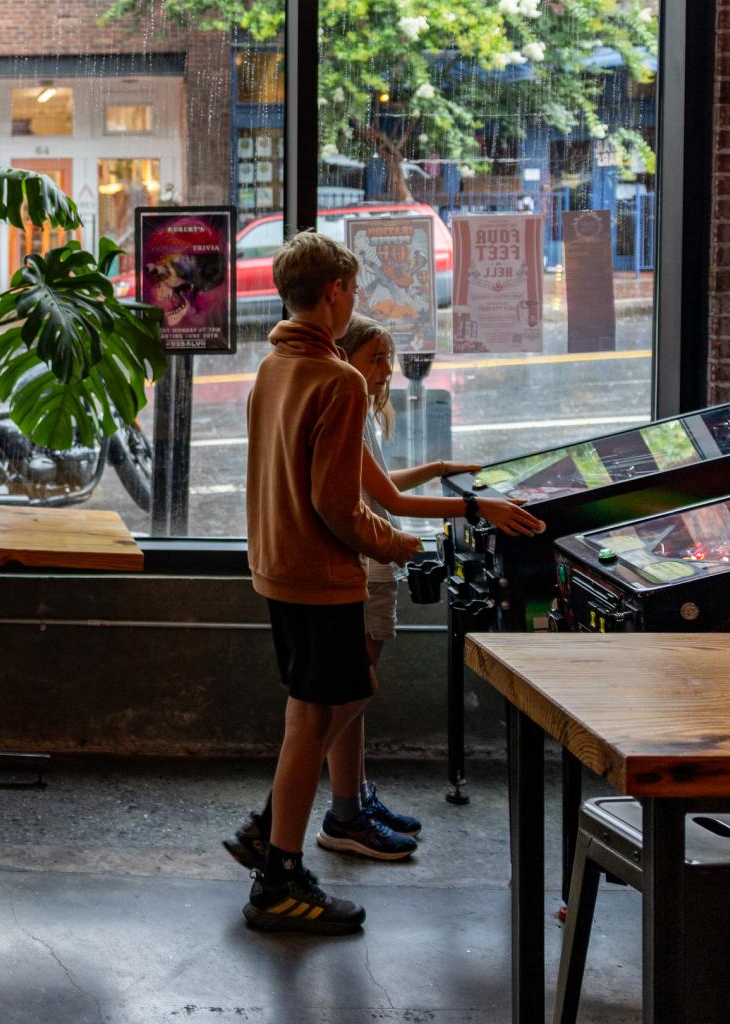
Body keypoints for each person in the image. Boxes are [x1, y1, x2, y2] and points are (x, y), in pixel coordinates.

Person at [229, 315, 544, 864]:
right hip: (362, 565)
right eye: (376, 358)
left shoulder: (349, 404)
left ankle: (348, 808)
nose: (387, 371)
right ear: (345, 355)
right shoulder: (340, 395)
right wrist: (471, 508)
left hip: (363, 563)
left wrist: (442, 469)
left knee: (344, 698)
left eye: (389, 359)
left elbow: (382, 486)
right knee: (350, 695)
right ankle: (280, 814)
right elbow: (383, 505)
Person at [235, 231, 420, 936]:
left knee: (309, 714)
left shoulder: (273, 369)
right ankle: (277, 876)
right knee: (317, 716)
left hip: (277, 568)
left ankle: (270, 833)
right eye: (354, 293)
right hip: (321, 576)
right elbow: (338, 506)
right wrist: (398, 543)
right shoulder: (337, 380)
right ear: (336, 293)